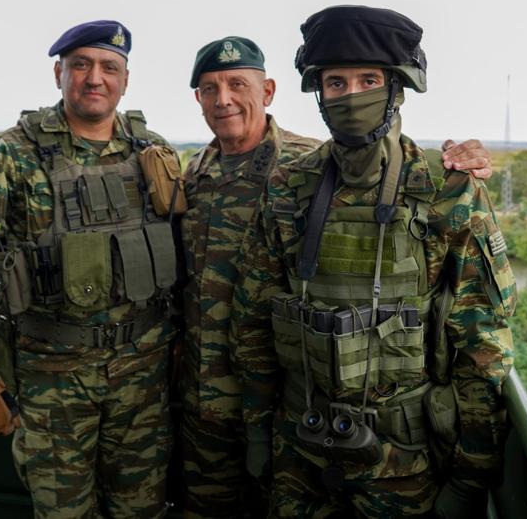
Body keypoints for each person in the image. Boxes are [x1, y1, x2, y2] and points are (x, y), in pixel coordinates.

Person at [179, 34, 499, 517]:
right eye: (335, 83)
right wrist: (260, 430)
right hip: (298, 448)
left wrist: (470, 477)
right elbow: (254, 319)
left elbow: (482, 342)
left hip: (404, 458)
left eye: (368, 81)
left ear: (396, 88)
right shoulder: (283, 184)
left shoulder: (443, 188)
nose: (351, 97)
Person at [0, 20, 181, 519]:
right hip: (52, 379)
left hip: (142, 379)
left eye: (109, 68)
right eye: (81, 65)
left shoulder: (152, 152)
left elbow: (179, 258)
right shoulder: (12, 153)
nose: (95, 78)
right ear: (59, 74)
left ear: (125, 80)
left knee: (142, 511)